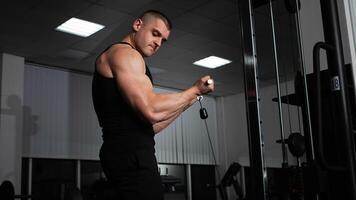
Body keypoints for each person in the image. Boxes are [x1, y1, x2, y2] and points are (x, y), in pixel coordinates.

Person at [92, 10, 214, 200]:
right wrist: (194, 90)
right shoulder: (125, 54)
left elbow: (150, 126)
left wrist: (189, 101)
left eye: (163, 40)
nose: (158, 43)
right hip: (130, 154)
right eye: (155, 33)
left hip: (127, 151)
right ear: (138, 25)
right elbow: (151, 110)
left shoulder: (130, 59)